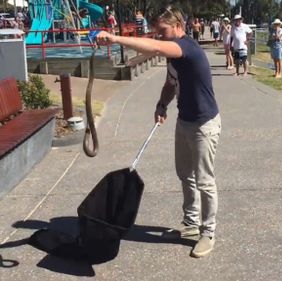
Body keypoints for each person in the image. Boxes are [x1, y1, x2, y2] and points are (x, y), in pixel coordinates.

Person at [96, 6, 221, 258]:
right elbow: (170, 82)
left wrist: (114, 37)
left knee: (205, 180)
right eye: (157, 32)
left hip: (203, 124)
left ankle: (208, 232)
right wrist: (162, 103)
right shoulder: (173, 55)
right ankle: (190, 224)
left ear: (178, 27)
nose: (160, 36)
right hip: (185, 120)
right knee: (185, 175)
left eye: (163, 31)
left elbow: (154, 48)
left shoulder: (186, 48)